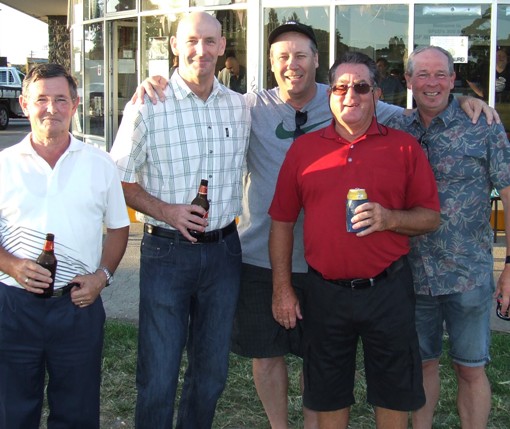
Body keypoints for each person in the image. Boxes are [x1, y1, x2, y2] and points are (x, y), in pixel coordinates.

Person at [132, 21, 500, 429]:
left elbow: (422, 112)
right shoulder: (246, 107)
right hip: (271, 258)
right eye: (283, 57)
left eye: (301, 56)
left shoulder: (371, 114)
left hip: (360, 275)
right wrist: (161, 80)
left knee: (348, 369)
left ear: (318, 62)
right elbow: (280, 216)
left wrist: (463, 101)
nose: (293, 65)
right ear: (271, 64)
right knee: (280, 360)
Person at [268, 51, 441, 429]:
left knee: (394, 391)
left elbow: (431, 217)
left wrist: (390, 218)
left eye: (361, 87)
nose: (351, 95)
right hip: (325, 292)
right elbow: (281, 221)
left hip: (388, 289)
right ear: (329, 94)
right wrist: (282, 288)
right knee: (328, 393)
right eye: (341, 87)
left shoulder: (403, 147)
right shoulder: (303, 150)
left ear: (377, 94)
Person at [109, 12, 250, 429]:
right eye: (190, 41)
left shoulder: (240, 107)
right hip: (167, 252)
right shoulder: (148, 105)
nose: (200, 50)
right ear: (174, 46)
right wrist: (167, 210)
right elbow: (119, 180)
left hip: (225, 253)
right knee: (158, 374)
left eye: (209, 41)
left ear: (223, 47)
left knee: (211, 374)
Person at [386, 45, 510, 429]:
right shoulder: (396, 129)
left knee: (470, 368)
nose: (432, 83)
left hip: (468, 274)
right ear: (408, 81)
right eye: (422, 74)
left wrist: (509, 268)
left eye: (441, 74)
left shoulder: (483, 125)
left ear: (454, 80)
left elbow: (508, 194)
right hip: (412, 275)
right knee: (422, 364)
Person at [0, 63, 130, 429]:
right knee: (12, 410)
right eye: (41, 99)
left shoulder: (100, 164)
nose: (51, 108)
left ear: (75, 105)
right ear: (24, 104)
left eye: (60, 99)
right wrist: (10, 264)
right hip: (12, 307)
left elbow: (119, 229)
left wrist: (102, 276)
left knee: (77, 411)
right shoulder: (3, 165)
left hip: (77, 306)